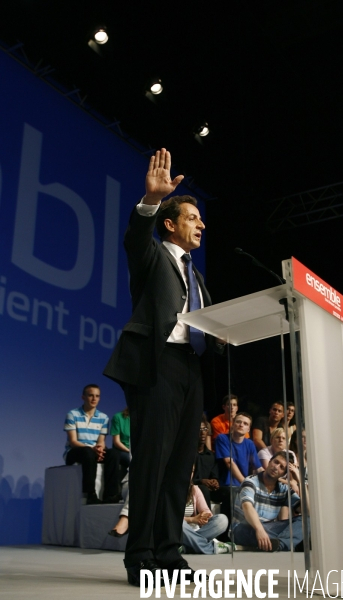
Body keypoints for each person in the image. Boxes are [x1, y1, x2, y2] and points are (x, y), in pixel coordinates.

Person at [103, 148, 222, 586]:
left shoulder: (199, 277)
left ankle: (169, 552)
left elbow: (202, 323)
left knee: (180, 466)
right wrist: (151, 200)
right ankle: (140, 556)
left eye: (201, 218)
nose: (201, 224)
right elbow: (135, 237)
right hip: (158, 366)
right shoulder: (153, 256)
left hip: (191, 369)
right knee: (152, 461)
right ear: (170, 224)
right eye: (193, 217)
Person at [232, 451, 306, 551]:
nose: (276, 467)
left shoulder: (283, 489)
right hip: (245, 528)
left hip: (268, 529)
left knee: (306, 521)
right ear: (270, 461)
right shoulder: (250, 481)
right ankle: (286, 542)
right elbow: (247, 507)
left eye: (282, 467)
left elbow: (306, 510)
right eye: (276, 462)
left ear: (284, 474)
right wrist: (259, 530)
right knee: (245, 529)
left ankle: (279, 544)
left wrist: (300, 482)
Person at [63, 384, 120, 504]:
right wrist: (92, 449)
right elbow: (73, 442)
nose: (94, 399)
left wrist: (99, 449)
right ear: (83, 397)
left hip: (93, 451)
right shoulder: (73, 414)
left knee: (113, 453)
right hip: (75, 452)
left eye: (97, 396)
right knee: (87, 452)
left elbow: (101, 442)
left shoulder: (103, 417)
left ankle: (111, 494)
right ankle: (90, 494)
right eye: (90, 395)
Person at [181, 473, 231, 555]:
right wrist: (192, 519)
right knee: (179, 524)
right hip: (180, 531)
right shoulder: (169, 489)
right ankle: (212, 548)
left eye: (192, 471)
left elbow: (205, 510)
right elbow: (170, 519)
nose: (190, 473)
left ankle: (186, 546)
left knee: (222, 519)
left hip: (197, 530)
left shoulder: (194, 489)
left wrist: (204, 517)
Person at [215, 412, 263, 487]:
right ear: (233, 424)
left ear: (248, 429)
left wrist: (275, 481)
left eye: (245, 424)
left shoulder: (249, 443)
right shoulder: (222, 438)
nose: (241, 425)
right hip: (226, 486)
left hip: (242, 486)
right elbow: (229, 462)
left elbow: (258, 469)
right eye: (238, 422)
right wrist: (246, 484)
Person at [193, 414, 221, 509]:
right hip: (192, 488)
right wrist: (201, 481)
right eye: (200, 430)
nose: (203, 433)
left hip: (208, 488)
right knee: (203, 489)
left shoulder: (211, 456)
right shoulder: (188, 455)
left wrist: (214, 481)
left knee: (229, 492)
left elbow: (214, 475)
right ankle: (207, 520)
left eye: (205, 430)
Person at [111, 407, 130, 481]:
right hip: (122, 450)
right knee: (135, 461)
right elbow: (116, 442)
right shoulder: (118, 417)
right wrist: (129, 451)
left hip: (136, 451)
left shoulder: (143, 419)